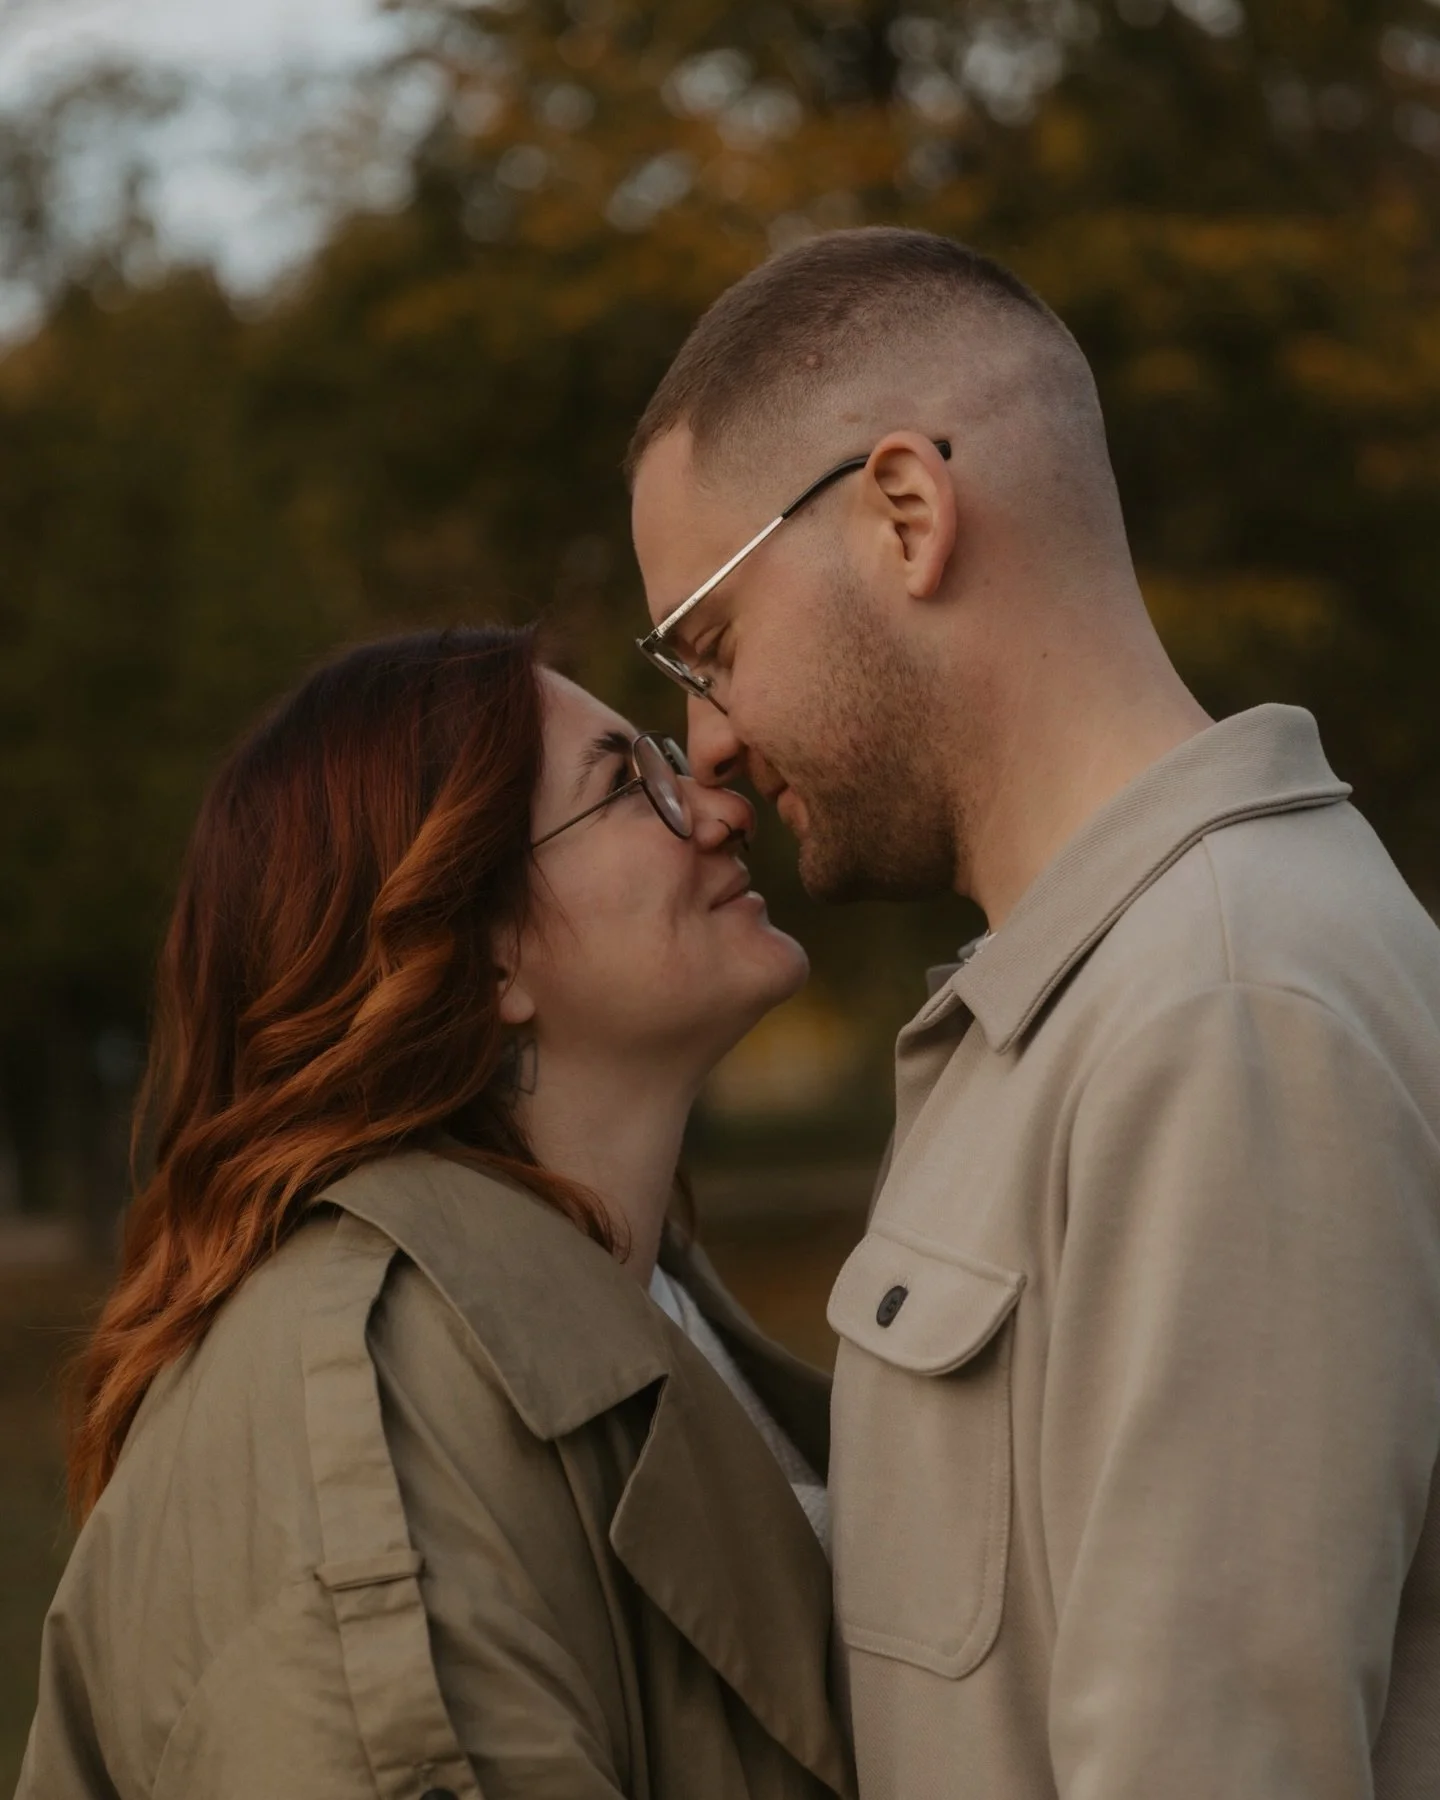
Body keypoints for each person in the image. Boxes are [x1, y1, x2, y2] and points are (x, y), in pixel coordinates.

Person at [627, 226, 1440, 1798]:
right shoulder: (1093, 1006)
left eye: (710, 647)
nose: (703, 745)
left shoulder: (1221, 1016)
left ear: (906, 514)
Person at [19, 627, 853, 1800]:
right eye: (628, 787)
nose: (718, 810)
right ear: (482, 954)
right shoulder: (361, 1428)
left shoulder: (633, 1298)